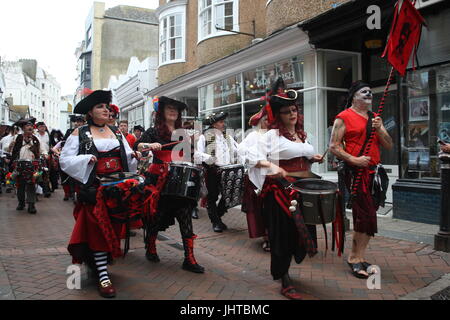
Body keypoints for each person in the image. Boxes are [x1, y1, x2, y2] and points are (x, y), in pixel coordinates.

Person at [59, 90, 140, 298]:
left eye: (107, 106)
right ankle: (104, 276)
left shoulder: (117, 132)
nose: (106, 110)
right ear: (90, 112)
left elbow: (127, 157)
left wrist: (135, 155)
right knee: (97, 230)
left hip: (116, 190)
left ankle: (100, 266)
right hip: (94, 191)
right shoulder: (80, 133)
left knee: (112, 230)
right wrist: (85, 160)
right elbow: (65, 161)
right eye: (100, 107)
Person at [252, 78, 324, 300]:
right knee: (282, 235)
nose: (292, 114)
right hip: (281, 191)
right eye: (286, 111)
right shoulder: (272, 135)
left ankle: (287, 268)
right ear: (279, 115)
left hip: (303, 188)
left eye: (294, 110)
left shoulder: (302, 135)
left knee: (300, 233)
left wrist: (312, 158)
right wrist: (272, 166)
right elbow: (252, 157)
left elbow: (301, 155)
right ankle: (284, 278)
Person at [329, 80, 393, 279]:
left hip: (374, 174)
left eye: (370, 92)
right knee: (364, 216)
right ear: (354, 96)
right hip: (356, 173)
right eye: (364, 92)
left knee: (369, 215)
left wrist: (380, 128)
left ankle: (359, 256)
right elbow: (334, 146)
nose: (369, 94)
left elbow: (389, 145)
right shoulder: (344, 117)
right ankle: (354, 258)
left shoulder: (375, 118)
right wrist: (354, 159)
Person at [136, 96, 204, 274]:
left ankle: (189, 258)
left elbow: (189, 156)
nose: (173, 111)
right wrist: (150, 144)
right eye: (169, 108)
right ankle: (150, 247)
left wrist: (195, 152)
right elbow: (138, 146)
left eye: (176, 109)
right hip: (159, 179)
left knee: (185, 216)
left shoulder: (183, 133)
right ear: (162, 112)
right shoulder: (153, 131)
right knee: (156, 216)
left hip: (180, 180)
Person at [194, 111, 240, 232]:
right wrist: (208, 158)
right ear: (214, 124)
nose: (223, 124)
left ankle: (217, 217)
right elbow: (198, 155)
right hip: (213, 170)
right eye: (220, 122)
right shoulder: (204, 136)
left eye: (223, 121)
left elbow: (238, 149)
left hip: (228, 170)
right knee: (212, 197)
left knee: (228, 196)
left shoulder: (227, 136)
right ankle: (215, 222)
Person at [237, 107, 271, 252]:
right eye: (266, 119)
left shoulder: (278, 135)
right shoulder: (253, 136)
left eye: (271, 119)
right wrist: (253, 160)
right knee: (261, 211)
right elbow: (241, 151)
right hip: (257, 178)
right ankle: (266, 238)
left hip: (274, 178)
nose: (269, 122)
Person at [9, 118, 45, 214]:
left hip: (32, 164)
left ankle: (31, 204)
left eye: (31, 126)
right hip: (19, 164)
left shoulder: (36, 139)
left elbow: (42, 150)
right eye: (27, 126)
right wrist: (10, 147)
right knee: (20, 185)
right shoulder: (17, 138)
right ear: (23, 128)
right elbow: (8, 149)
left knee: (31, 184)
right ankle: (21, 203)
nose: (30, 127)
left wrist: (45, 154)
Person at [60, 116, 86, 201]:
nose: (78, 123)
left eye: (80, 122)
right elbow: (65, 142)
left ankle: (78, 192)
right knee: (69, 175)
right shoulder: (70, 131)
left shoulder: (86, 131)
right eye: (77, 122)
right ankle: (69, 192)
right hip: (72, 155)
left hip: (82, 155)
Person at [35, 122, 51, 198]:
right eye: (40, 126)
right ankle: (38, 189)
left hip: (46, 156)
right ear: (37, 128)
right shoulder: (35, 136)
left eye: (43, 126)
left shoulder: (48, 135)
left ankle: (46, 190)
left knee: (46, 173)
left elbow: (51, 145)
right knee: (37, 173)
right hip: (36, 156)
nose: (42, 128)